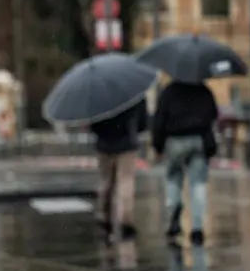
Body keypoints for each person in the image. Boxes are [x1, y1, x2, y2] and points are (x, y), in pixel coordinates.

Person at [152, 80, 218, 246]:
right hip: (198, 140)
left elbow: (159, 119)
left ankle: (175, 208)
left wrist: (158, 145)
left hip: (174, 141)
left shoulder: (168, 92)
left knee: (173, 178)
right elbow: (213, 114)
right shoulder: (204, 90)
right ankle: (197, 227)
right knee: (198, 184)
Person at [91, 100, 147, 244]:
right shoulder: (135, 93)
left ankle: (103, 215)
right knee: (126, 181)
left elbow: (93, 123)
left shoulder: (99, 94)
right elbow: (143, 122)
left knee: (105, 181)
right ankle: (125, 220)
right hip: (127, 142)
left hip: (104, 143)